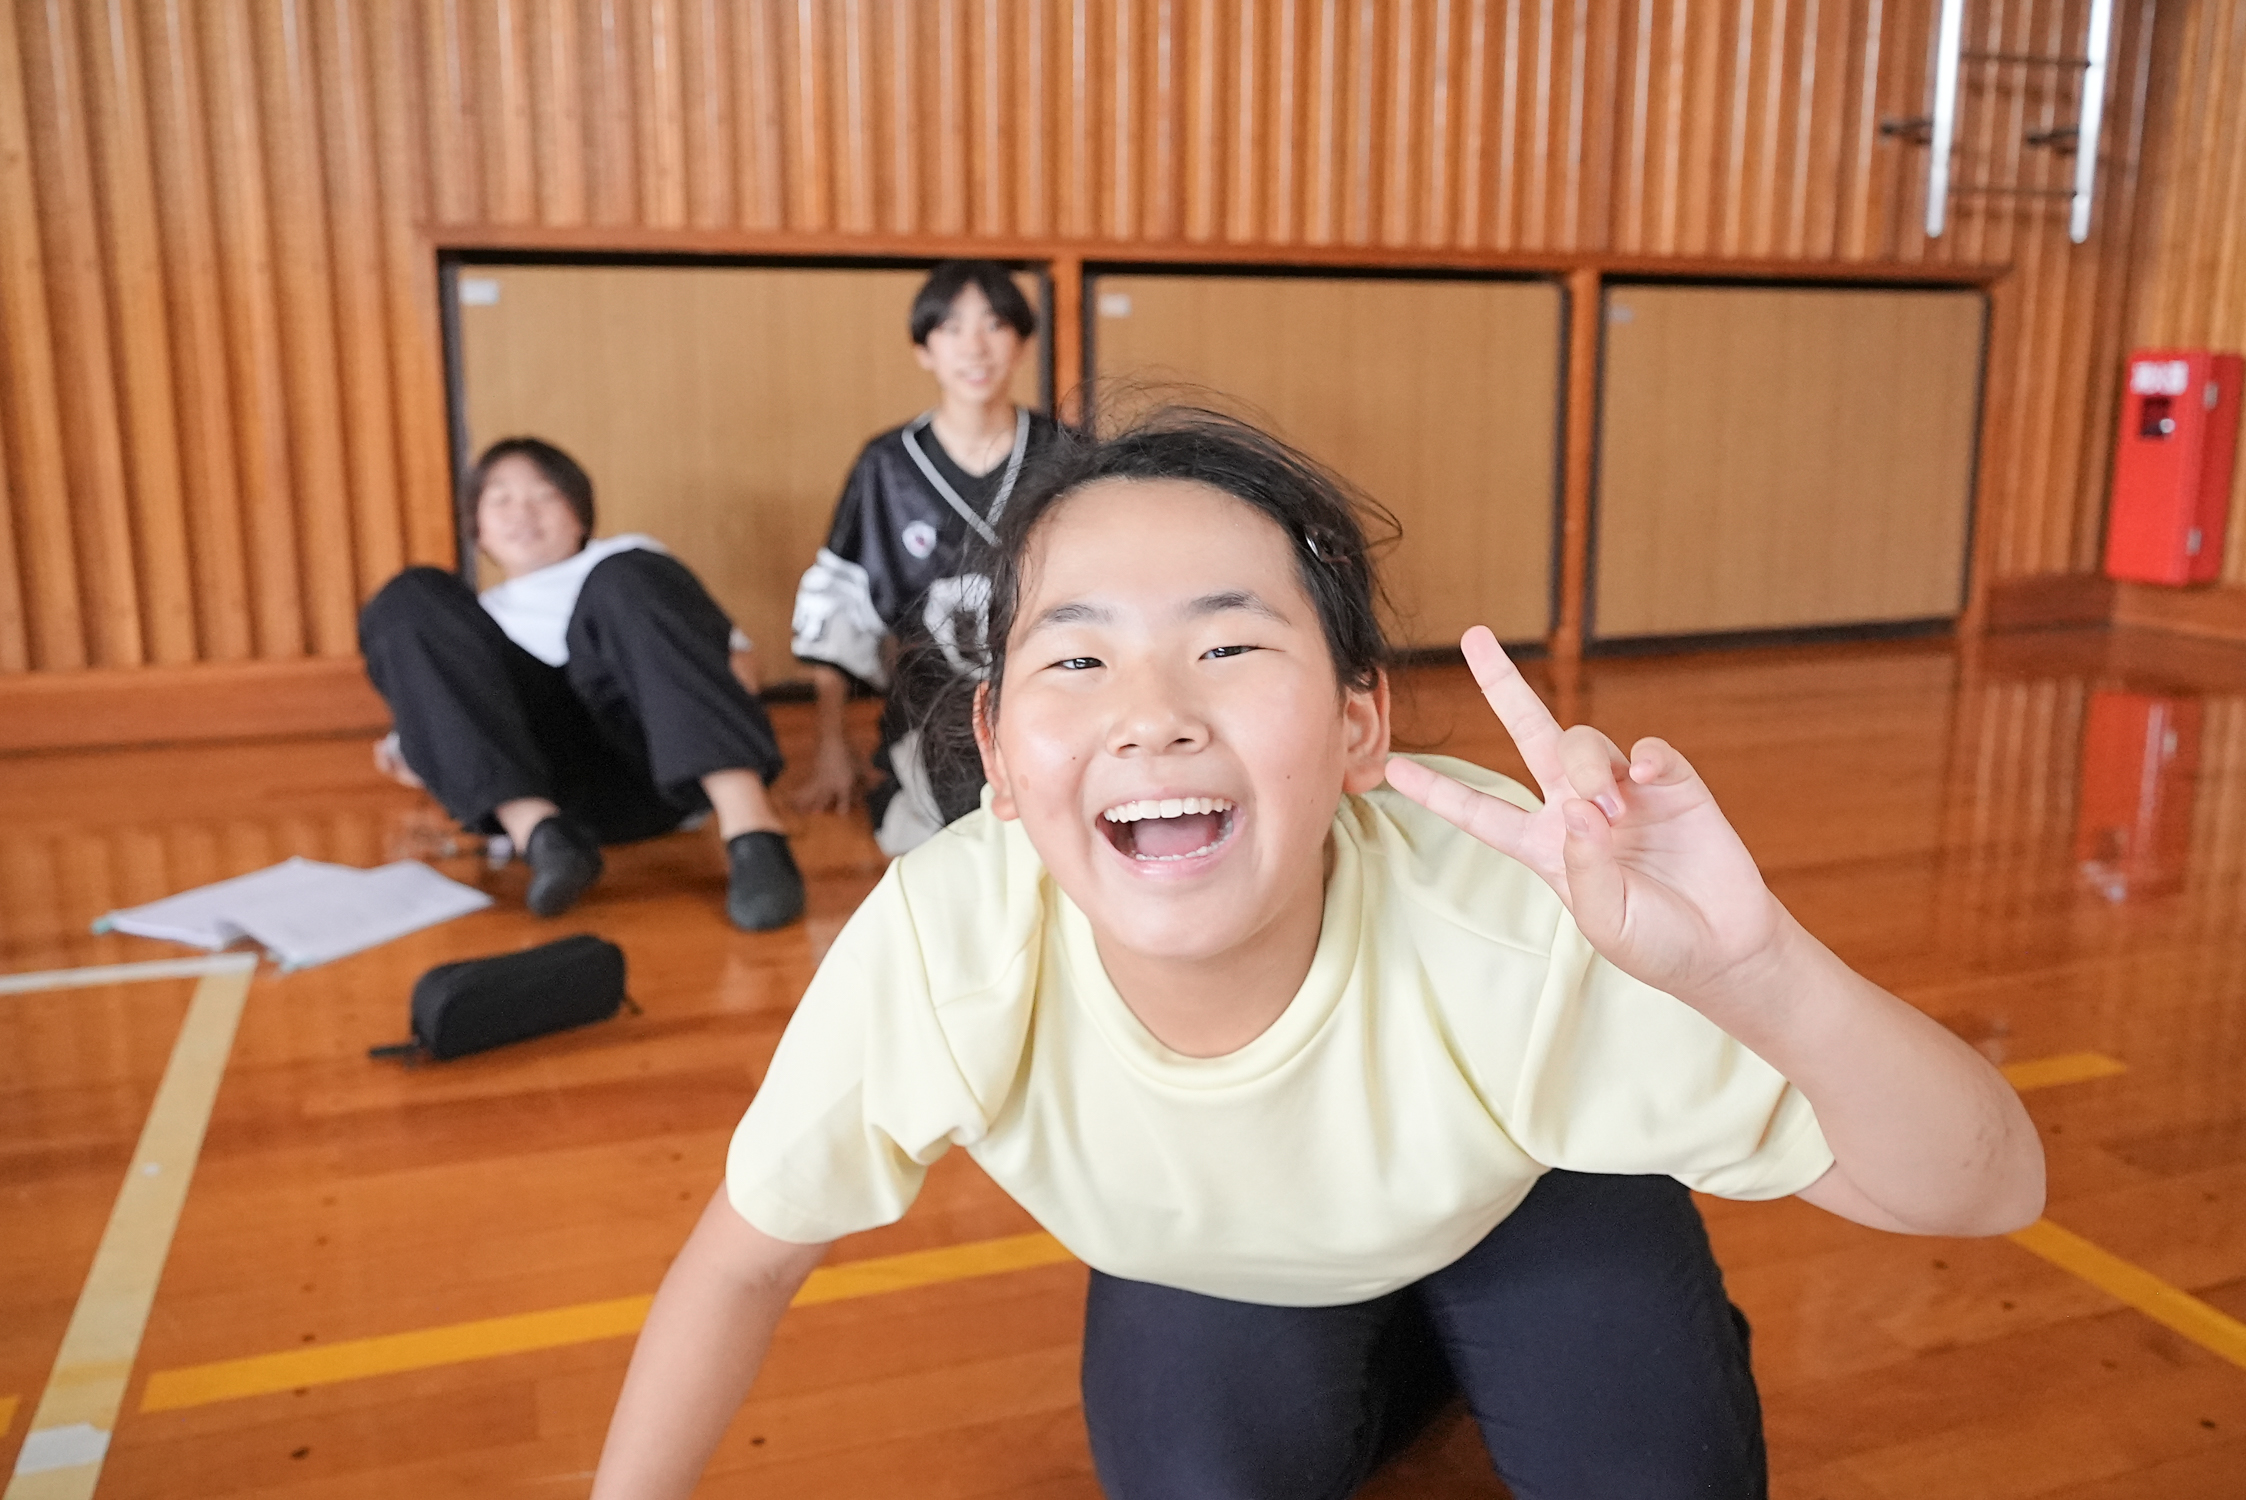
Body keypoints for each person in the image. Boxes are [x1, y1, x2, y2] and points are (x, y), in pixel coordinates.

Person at [588, 410, 2045, 1498]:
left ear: (1360, 724)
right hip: (1208, 1255)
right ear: (998, 756)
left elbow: (1987, 1187)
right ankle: (1418, 1372)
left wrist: (1759, 973)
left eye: (1226, 645)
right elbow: (740, 1265)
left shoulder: (1515, 904)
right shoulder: (945, 941)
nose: (1150, 711)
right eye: (1077, 659)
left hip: (1530, 1189)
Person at [359, 437, 805, 931]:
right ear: (478, 530)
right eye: (500, 498)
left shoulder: (629, 560)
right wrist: (420, 751)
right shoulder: (468, 625)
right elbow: (439, 732)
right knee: (409, 595)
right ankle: (544, 838)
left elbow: (739, 669)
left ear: (580, 512)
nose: (521, 512)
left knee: (623, 577)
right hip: (549, 791)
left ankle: (753, 836)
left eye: (544, 494)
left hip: (658, 765)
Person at [788, 259, 1063, 854]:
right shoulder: (887, 465)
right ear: (924, 349)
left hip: (1051, 684)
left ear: (1020, 341)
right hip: (935, 697)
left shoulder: (1066, 454)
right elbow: (840, 608)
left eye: (993, 325)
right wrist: (831, 747)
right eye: (952, 328)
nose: (975, 347)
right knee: (965, 827)